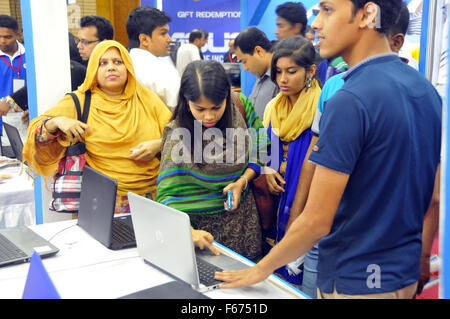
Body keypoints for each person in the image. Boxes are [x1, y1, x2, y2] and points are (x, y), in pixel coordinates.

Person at [216, 0, 441, 300]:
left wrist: (260, 270)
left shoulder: (350, 99)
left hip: (356, 280)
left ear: (367, 14)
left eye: (327, 10)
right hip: (401, 272)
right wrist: (423, 257)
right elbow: (434, 198)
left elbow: (317, 219)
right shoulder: (426, 91)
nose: (317, 23)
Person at [22, 40, 172, 214]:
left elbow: (178, 137)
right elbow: (36, 134)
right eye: (103, 63)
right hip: (99, 204)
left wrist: (159, 145)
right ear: (93, 68)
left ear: (128, 67)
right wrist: (58, 121)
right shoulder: (80, 101)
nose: (111, 67)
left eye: (118, 62)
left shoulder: (147, 100)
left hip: (152, 199)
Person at [156, 60, 267, 261]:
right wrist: (188, 231)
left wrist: (243, 181)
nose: (209, 116)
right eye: (200, 109)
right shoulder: (177, 134)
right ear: (186, 101)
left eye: (217, 107)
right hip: (199, 232)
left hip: (242, 226)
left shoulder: (240, 107)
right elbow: (165, 193)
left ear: (227, 97)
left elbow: (262, 146)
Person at [257, 36, 321, 287]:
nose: (282, 79)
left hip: (309, 198)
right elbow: (263, 149)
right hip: (276, 195)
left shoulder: (321, 108)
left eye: (291, 71)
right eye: (278, 72)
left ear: (311, 71)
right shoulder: (273, 107)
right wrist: (268, 169)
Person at [126, 6, 180, 109]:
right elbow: (180, 107)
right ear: (144, 39)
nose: (169, 39)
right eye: (163, 33)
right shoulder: (161, 72)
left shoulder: (123, 64)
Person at [234, 27, 279, 121]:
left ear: (259, 51)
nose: (245, 68)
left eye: (244, 61)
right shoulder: (260, 76)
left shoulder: (280, 78)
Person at [0, 15, 26, 155]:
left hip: (26, 120)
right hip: (2, 124)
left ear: (18, 35)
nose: (2, 41)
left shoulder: (31, 56)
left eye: (7, 37)